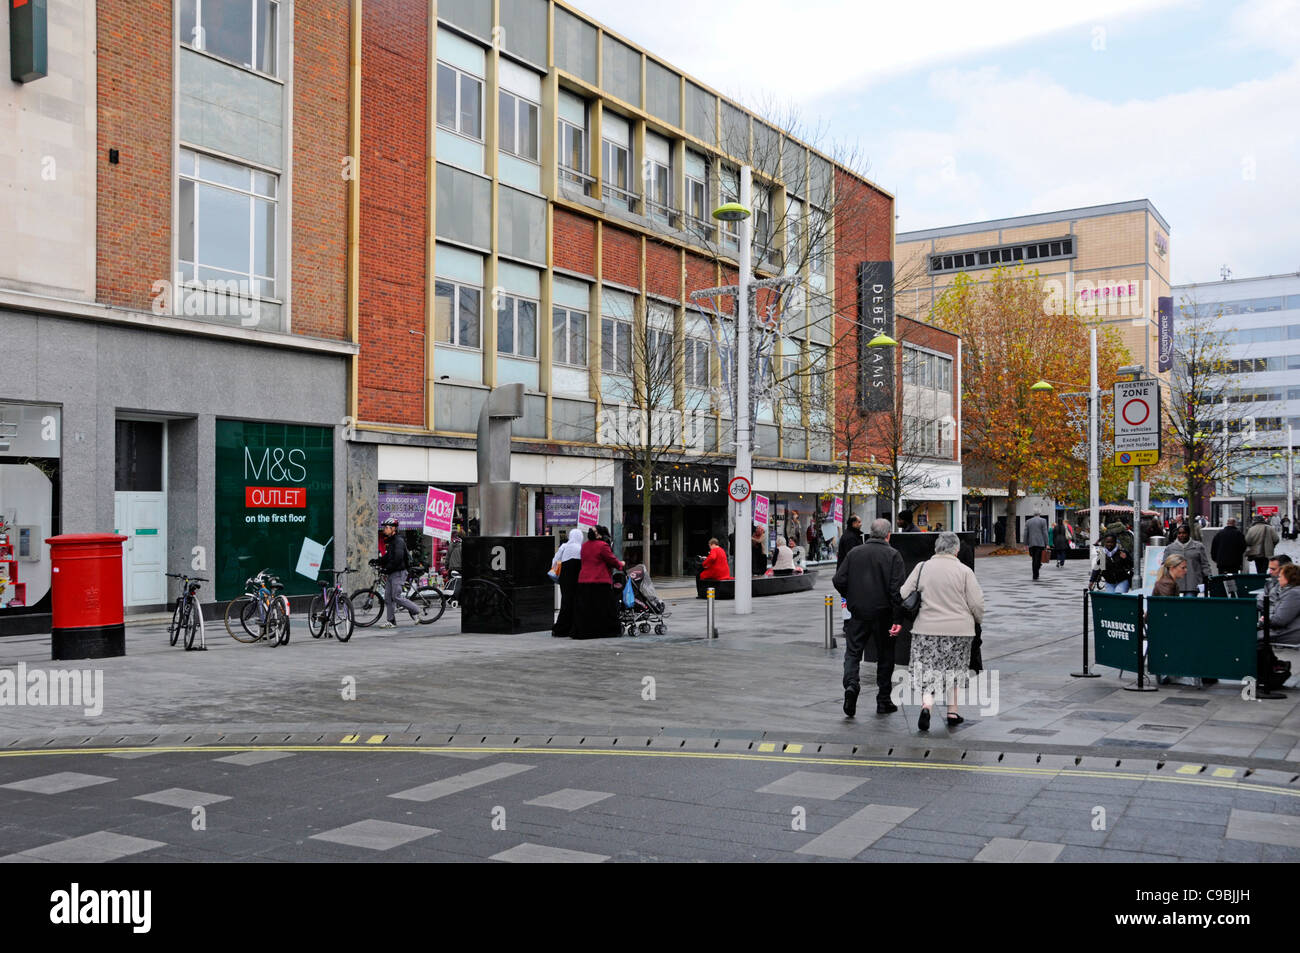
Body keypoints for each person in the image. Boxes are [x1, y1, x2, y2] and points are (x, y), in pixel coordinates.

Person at [900, 532, 985, 732]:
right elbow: (977, 603)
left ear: (936, 548)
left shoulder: (922, 567)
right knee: (955, 670)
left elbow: (904, 592)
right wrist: (977, 620)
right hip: (959, 630)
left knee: (928, 670)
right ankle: (952, 712)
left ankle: (927, 706)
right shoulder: (964, 571)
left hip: (926, 629)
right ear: (956, 549)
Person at [832, 518, 904, 718]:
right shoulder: (893, 555)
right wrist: (898, 618)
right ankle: (883, 700)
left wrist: (851, 596)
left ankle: (852, 685)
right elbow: (897, 591)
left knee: (853, 653)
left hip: (858, 613)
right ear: (888, 535)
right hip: (884, 614)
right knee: (885, 656)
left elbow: (838, 579)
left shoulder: (855, 553)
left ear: (871, 533)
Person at [573, 525, 623, 639]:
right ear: (600, 535)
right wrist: (621, 565)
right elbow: (612, 560)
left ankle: (583, 632)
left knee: (586, 609)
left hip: (584, 580)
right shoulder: (603, 546)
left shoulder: (584, 546)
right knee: (604, 608)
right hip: (599, 580)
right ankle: (605, 631)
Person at [377, 517, 422, 628]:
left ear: (393, 529)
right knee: (388, 598)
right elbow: (389, 556)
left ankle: (416, 610)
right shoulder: (392, 541)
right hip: (392, 573)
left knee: (396, 596)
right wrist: (378, 561)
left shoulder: (398, 541)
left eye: (387, 528)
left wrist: (386, 568)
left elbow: (397, 559)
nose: (385, 530)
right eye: (385, 527)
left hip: (399, 572)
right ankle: (391, 621)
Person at [550, 528, 585, 638]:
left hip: (565, 577)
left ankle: (561, 628)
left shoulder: (564, 546)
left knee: (565, 602)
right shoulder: (581, 548)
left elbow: (555, 561)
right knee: (576, 601)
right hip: (577, 577)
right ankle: (573, 627)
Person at [1165, 525, 1211, 595]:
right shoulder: (1170, 548)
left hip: (1192, 583)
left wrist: (1208, 576)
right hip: (1175, 583)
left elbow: (1204, 564)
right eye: (1179, 533)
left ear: (1188, 534)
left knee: (1189, 604)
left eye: (1184, 533)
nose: (1181, 535)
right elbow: (1165, 565)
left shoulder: (1198, 547)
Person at [1266, 563, 1300, 646]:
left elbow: (1279, 620)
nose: (1278, 579)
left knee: (1246, 636)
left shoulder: (1293, 594)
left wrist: (1265, 619)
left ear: (1289, 578)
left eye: (1280, 576)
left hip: (1287, 634)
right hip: (1285, 631)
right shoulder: (1290, 592)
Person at [1025, 511, 1049, 581]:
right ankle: (1036, 572)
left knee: (1034, 559)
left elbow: (1026, 533)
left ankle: (1035, 574)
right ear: (1039, 514)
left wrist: (1025, 544)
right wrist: (1047, 543)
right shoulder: (1043, 521)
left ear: (1033, 515)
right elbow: (1045, 533)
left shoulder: (1028, 521)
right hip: (1040, 543)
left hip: (1031, 543)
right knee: (1038, 559)